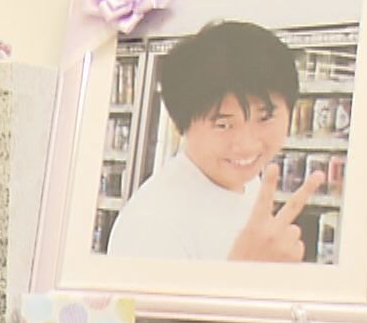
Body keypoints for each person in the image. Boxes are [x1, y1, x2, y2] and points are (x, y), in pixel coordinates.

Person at [106, 19, 324, 262]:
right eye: (224, 125)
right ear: (180, 125)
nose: (247, 145)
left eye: (265, 118)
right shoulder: (153, 225)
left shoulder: (247, 183)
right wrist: (244, 272)